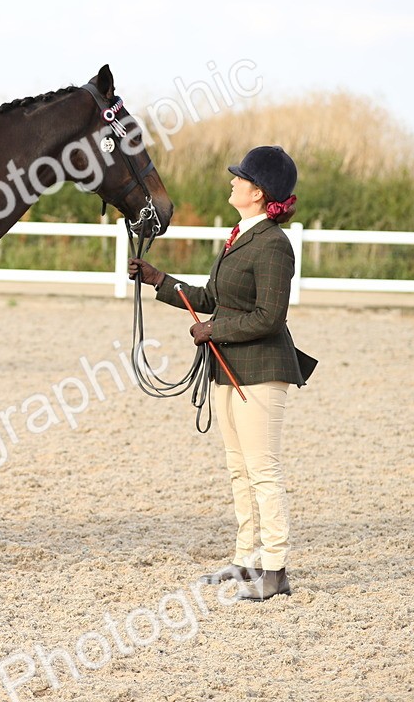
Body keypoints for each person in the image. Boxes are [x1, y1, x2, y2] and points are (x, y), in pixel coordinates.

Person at [129, 145, 316, 602]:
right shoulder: (240, 235)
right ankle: (245, 560)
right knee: (239, 469)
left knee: (263, 470)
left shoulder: (274, 244)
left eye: (240, 178)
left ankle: (275, 569)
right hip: (227, 369)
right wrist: (160, 280)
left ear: (258, 191)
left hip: (261, 371)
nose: (232, 181)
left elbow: (270, 316)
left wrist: (215, 329)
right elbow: (212, 296)